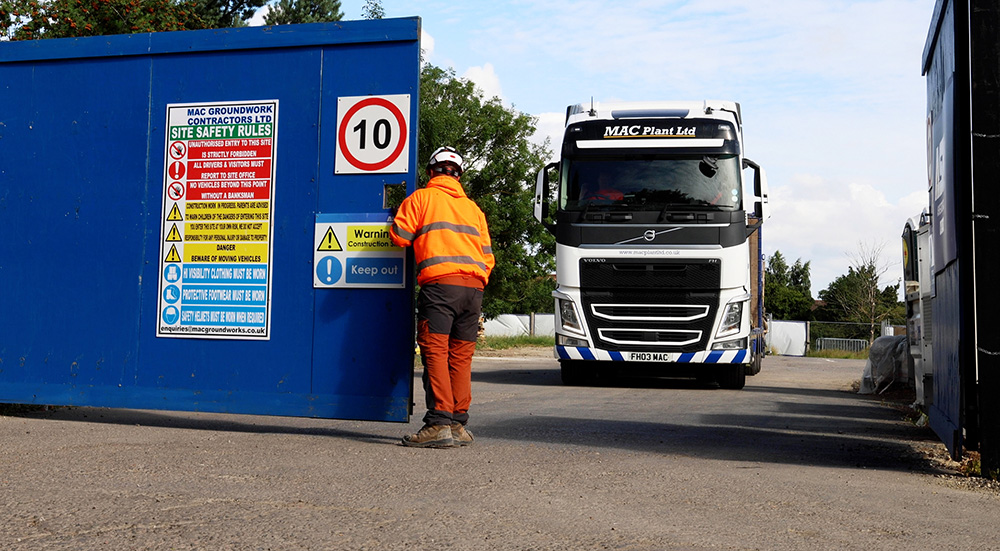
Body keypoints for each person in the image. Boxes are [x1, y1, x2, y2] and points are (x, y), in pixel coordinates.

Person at [389, 146, 495, 448]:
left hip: (440, 289)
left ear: (430, 172)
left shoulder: (422, 198)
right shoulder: (474, 209)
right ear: (458, 175)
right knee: (461, 357)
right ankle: (458, 425)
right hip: (474, 290)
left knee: (435, 352)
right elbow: (488, 258)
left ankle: (437, 424)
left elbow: (400, 237)